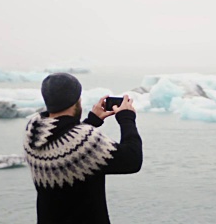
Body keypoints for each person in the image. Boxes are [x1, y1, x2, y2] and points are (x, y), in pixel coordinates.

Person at [23, 73, 143, 224]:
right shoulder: (85, 141)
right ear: (76, 100)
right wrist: (127, 118)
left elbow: (66, 147)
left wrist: (92, 121)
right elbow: (132, 160)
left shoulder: (33, 132)